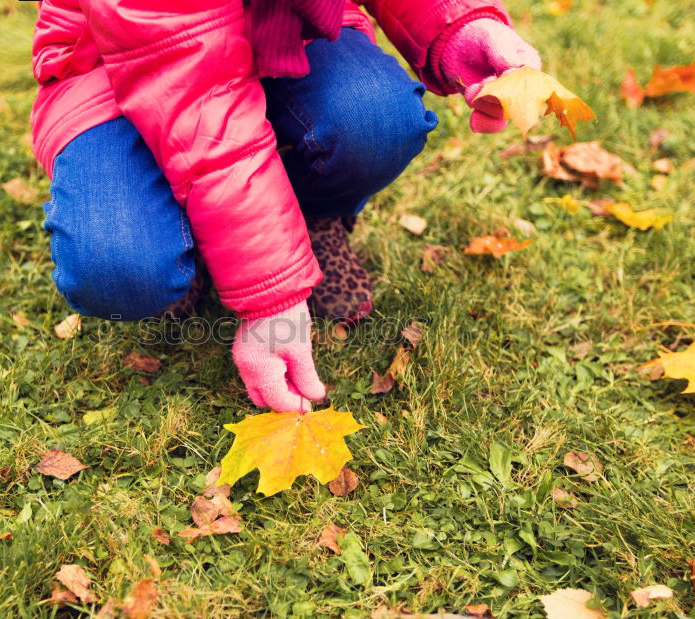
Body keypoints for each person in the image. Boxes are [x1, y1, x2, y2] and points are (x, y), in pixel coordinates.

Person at [30, 0, 541, 413]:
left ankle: (311, 219)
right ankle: (187, 232)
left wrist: (459, 23)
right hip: (120, 61)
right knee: (121, 269)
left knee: (374, 117)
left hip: (284, 28)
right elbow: (200, 98)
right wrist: (270, 296)